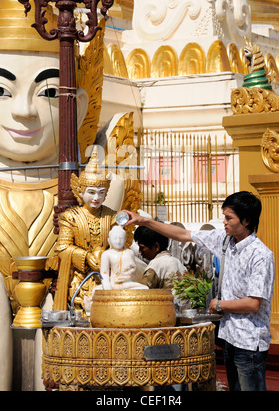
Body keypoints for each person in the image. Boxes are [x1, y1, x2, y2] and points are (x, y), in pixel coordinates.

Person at [123, 191, 275, 391]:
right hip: (230, 337)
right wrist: (144, 221)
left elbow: (254, 303)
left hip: (249, 343)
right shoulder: (224, 240)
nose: (224, 222)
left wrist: (220, 304)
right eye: (224, 217)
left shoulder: (261, 255)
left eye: (229, 218)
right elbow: (183, 234)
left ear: (246, 221)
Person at [53, 149, 117, 314]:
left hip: (108, 279)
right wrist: (86, 256)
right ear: (80, 191)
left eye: (101, 193)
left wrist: (107, 257)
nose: (96, 197)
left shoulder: (111, 216)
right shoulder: (70, 217)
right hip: (79, 280)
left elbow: (120, 246)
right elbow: (63, 248)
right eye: (91, 192)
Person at [133, 225, 186, 290]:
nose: (140, 251)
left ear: (156, 246)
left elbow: (143, 292)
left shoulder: (155, 265)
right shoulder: (178, 263)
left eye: (142, 248)